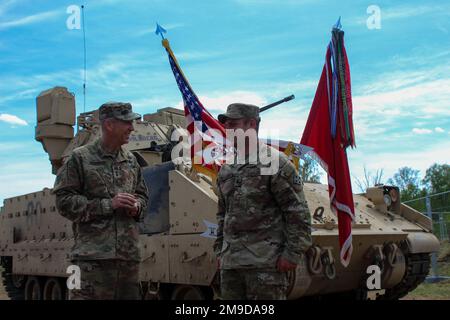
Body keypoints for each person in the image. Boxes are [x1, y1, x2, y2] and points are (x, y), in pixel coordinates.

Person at [213, 103, 312, 300]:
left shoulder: (274, 163)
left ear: (251, 124)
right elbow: (223, 215)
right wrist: (219, 252)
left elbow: (297, 212)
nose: (227, 130)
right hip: (231, 265)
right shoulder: (226, 170)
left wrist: (292, 254)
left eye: (233, 124)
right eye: (226, 125)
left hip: (266, 265)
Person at [53, 102, 149, 300]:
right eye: (127, 122)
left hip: (127, 261)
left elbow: (143, 196)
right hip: (90, 261)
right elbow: (63, 201)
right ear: (109, 125)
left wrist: (137, 206)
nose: (132, 127)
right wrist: (108, 205)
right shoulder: (80, 158)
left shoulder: (131, 161)